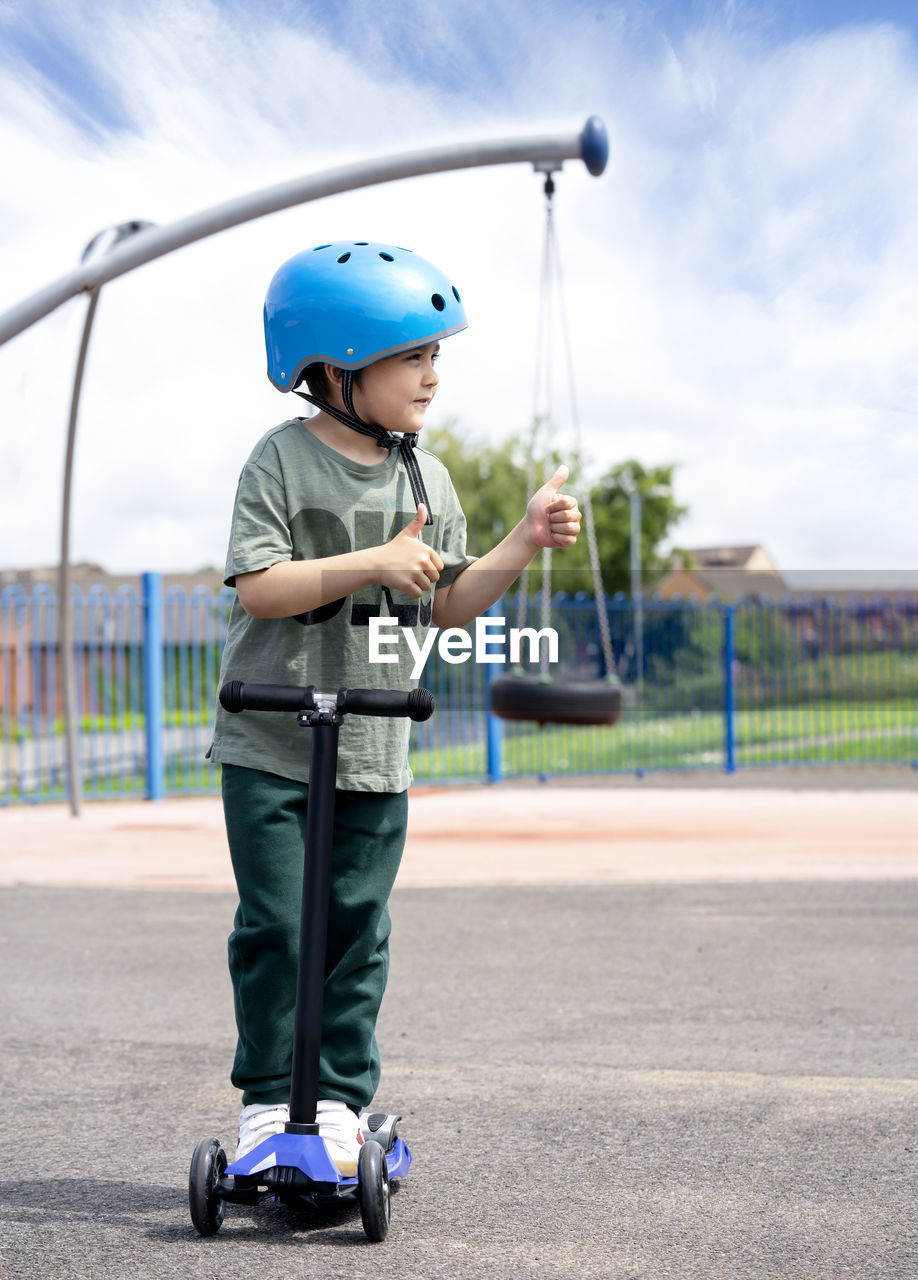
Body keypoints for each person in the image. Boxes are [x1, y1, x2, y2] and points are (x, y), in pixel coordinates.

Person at [208, 240, 582, 1175]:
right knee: (278, 928)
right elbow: (259, 585)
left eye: (435, 354)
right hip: (270, 741)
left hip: (375, 744)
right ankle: (267, 1106)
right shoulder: (281, 463)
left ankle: (334, 1104)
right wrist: (369, 562)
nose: (432, 374)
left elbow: (447, 603)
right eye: (412, 355)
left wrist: (523, 541)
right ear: (338, 366)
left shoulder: (428, 477)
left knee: (356, 933)